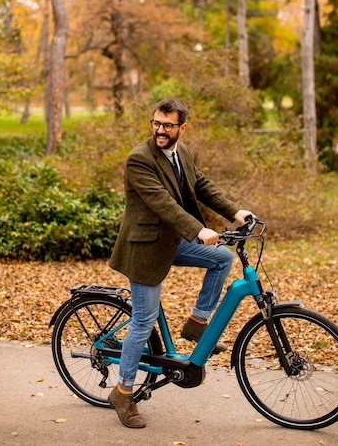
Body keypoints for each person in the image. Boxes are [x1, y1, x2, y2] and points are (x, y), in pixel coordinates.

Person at [108, 98, 255, 428]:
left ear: (182, 128)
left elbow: (201, 185)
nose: (160, 130)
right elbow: (162, 203)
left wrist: (235, 212)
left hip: (172, 241)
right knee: (143, 321)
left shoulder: (182, 153)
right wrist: (198, 229)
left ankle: (196, 324)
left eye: (167, 125)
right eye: (156, 123)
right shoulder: (139, 160)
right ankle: (123, 393)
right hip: (145, 248)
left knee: (221, 257)